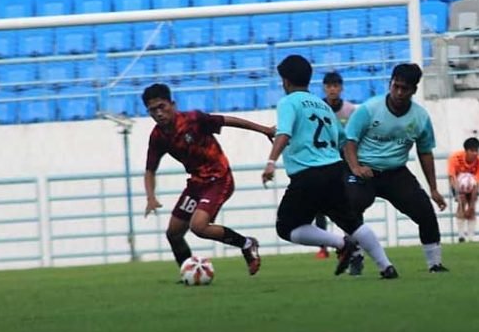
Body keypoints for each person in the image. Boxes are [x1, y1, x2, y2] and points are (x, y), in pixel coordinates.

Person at [261, 55, 397, 278]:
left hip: (307, 174)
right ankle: (386, 266)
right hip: (334, 170)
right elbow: (343, 140)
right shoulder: (322, 106)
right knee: (352, 222)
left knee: (286, 227)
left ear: (285, 81)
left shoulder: (288, 102)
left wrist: (271, 162)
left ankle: (341, 244)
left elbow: (284, 133)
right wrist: (354, 166)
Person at [142, 83, 271, 277]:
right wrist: (150, 197)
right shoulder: (158, 136)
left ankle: (247, 244)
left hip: (219, 178)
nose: (159, 113)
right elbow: (150, 170)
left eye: (162, 107)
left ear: (173, 104)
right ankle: (189, 273)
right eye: (153, 110)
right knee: (173, 233)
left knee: (198, 226)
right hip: (196, 183)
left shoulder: (193, 119)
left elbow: (227, 120)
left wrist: (264, 130)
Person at [343, 63, 450, 273]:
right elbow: (349, 140)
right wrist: (355, 167)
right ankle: (355, 256)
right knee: (352, 204)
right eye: (396, 86)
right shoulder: (369, 109)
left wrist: (434, 189)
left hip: (395, 172)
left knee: (425, 211)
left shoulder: (420, 117)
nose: (399, 92)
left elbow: (425, 151)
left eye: (405, 89)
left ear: (414, 90)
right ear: (390, 84)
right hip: (365, 169)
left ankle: (434, 264)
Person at [312, 71, 358, 258]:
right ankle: (323, 246)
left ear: (341, 88)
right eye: (329, 86)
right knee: (319, 204)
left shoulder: (350, 110)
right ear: (324, 88)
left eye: (336, 86)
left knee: (347, 201)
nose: (332, 89)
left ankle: (349, 240)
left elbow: (353, 136)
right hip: (323, 160)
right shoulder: (318, 107)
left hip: (345, 161)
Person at [447, 137, 479, 242]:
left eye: (476, 151)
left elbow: (477, 182)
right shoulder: (455, 158)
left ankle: (471, 237)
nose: (475, 153)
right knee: (461, 204)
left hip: (472, 186)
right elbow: (451, 177)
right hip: (457, 184)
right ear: (466, 151)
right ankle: (461, 236)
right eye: (472, 151)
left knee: (472, 207)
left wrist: (472, 205)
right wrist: (457, 194)